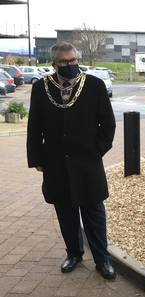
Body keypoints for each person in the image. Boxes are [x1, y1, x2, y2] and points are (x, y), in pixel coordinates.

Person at [27, 41, 117, 279]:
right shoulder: (41, 88)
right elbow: (34, 126)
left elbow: (107, 124)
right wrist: (36, 156)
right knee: (65, 212)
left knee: (94, 213)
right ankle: (74, 253)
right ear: (54, 64)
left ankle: (102, 259)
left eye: (73, 60)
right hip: (55, 162)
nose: (70, 65)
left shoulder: (95, 85)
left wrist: (96, 150)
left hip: (88, 162)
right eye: (64, 62)